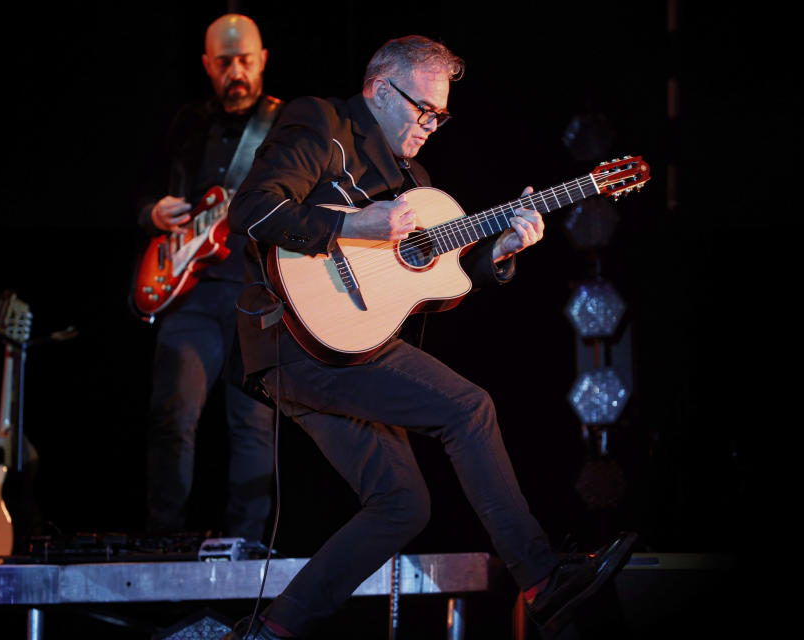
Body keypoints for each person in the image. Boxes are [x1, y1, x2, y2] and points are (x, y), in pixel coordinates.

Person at [225, 35, 637, 639]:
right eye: (424, 109)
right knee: (468, 407)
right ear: (379, 89)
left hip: (348, 342)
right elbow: (252, 211)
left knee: (403, 504)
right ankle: (543, 581)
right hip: (289, 336)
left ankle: (272, 630)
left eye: (442, 114)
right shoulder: (323, 122)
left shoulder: (413, 178)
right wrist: (355, 224)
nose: (432, 125)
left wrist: (497, 251)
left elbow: (437, 281)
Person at [138, 14, 281, 543]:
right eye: (224, 63)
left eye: (245, 60)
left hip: (255, 288)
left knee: (254, 426)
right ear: (207, 65)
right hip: (189, 291)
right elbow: (143, 192)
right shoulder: (185, 123)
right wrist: (153, 213)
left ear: (263, 59)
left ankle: (248, 548)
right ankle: (162, 542)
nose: (236, 72)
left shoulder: (286, 125)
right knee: (171, 421)